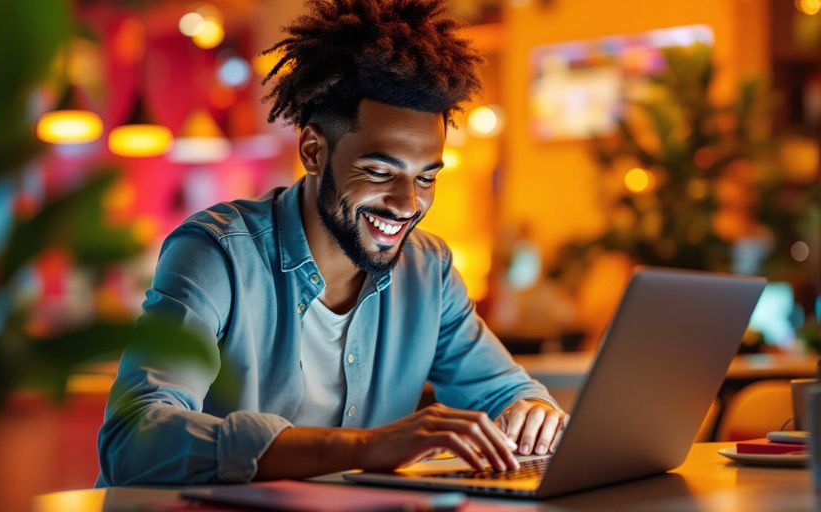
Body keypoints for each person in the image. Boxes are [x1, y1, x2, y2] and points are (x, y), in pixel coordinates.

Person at [96, 0, 567, 486]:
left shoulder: (429, 271)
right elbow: (135, 438)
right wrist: (367, 448)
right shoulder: (217, 254)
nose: (407, 203)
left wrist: (532, 412)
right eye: (380, 172)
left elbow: (506, 391)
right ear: (313, 151)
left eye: (425, 178)